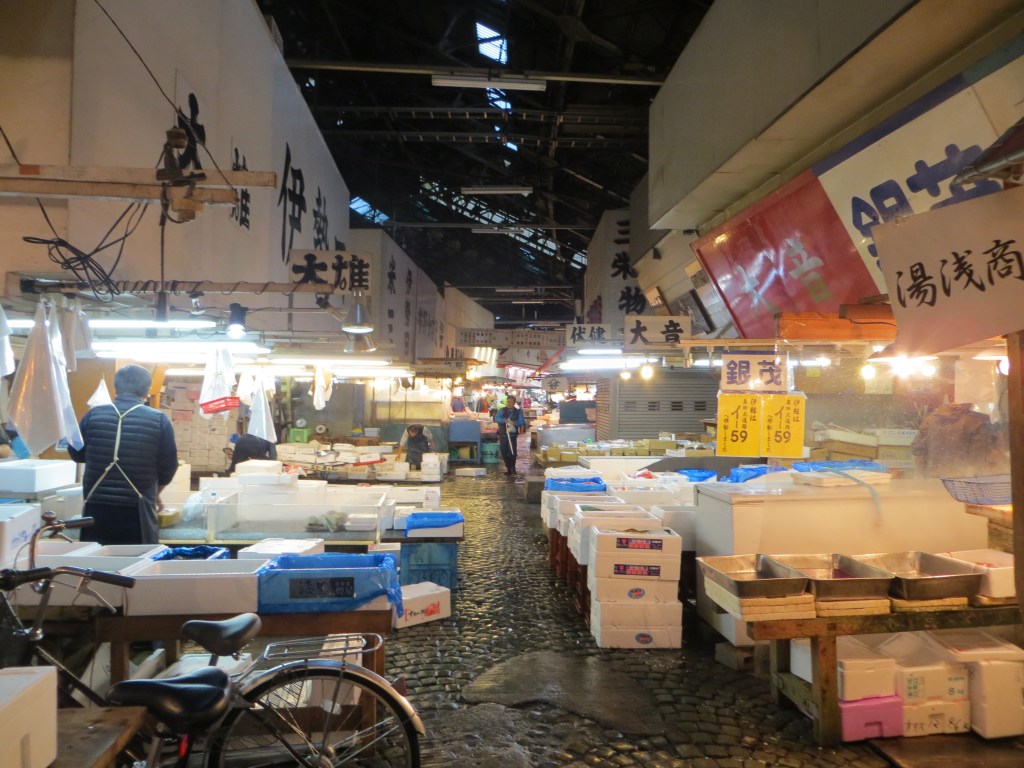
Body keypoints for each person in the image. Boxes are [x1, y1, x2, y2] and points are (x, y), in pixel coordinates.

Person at [68, 365, 178, 545]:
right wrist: (155, 494)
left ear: (116, 387)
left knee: (95, 566)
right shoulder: (159, 420)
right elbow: (169, 467)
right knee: (135, 566)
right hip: (138, 511)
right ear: (147, 390)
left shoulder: (93, 415)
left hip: (96, 507)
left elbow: (76, 454)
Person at [911, 402, 1008, 478]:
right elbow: (980, 459)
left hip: (933, 480)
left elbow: (918, 451)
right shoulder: (978, 421)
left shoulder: (930, 420)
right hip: (965, 482)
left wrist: (920, 475)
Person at [494, 394, 526, 476]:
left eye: (511, 402)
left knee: (512, 451)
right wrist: (504, 420)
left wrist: (515, 422)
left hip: (512, 435)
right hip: (503, 434)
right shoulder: (501, 410)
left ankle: (513, 468)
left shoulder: (518, 412)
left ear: (514, 403)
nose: (509, 404)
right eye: (508, 402)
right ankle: (508, 467)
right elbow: (496, 418)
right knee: (504, 451)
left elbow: (522, 422)